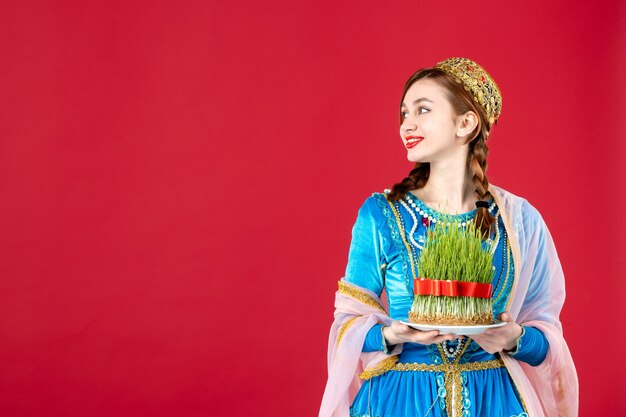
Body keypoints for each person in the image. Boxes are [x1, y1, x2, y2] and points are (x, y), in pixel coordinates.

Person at [318, 57, 578, 417]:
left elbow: (545, 333)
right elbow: (348, 320)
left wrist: (514, 338)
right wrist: (393, 335)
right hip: (402, 400)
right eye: (404, 113)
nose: (407, 125)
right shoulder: (381, 213)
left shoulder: (518, 221)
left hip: (496, 400)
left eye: (422, 110)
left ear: (466, 123)